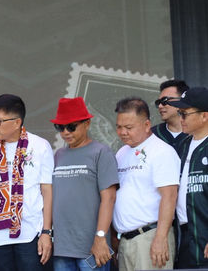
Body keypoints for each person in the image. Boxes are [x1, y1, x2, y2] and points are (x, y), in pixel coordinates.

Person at [0, 94, 54, 271]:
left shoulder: (39, 146)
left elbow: (47, 191)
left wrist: (46, 232)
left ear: (16, 122)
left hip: (30, 233)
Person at [49, 97, 118, 271]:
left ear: (87, 123)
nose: (65, 132)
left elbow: (109, 198)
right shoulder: (58, 155)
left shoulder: (101, 152)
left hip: (92, 247)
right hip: (62, 248)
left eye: (71, 126)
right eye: (60, 127)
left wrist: (101, 237)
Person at [112, 97, 179, 271]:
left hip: (150, 237)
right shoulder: (121, 153)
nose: (122, 132)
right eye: (119, 127)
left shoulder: (161, 151)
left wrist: (161, 238)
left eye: (129, 127)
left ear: (147, 125)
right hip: (126, 240)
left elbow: (170, 196)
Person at [167, 87, 208, 268]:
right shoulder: (181, 145)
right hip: (184, 237)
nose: (180, 118)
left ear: (204, 116)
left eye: (184, 114)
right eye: (179, 113)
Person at [152, 79, 189, 148]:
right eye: (158, 102)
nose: (160, 106)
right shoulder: (152, 135)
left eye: (164, 100)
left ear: (182, 101)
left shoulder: (197, 133)